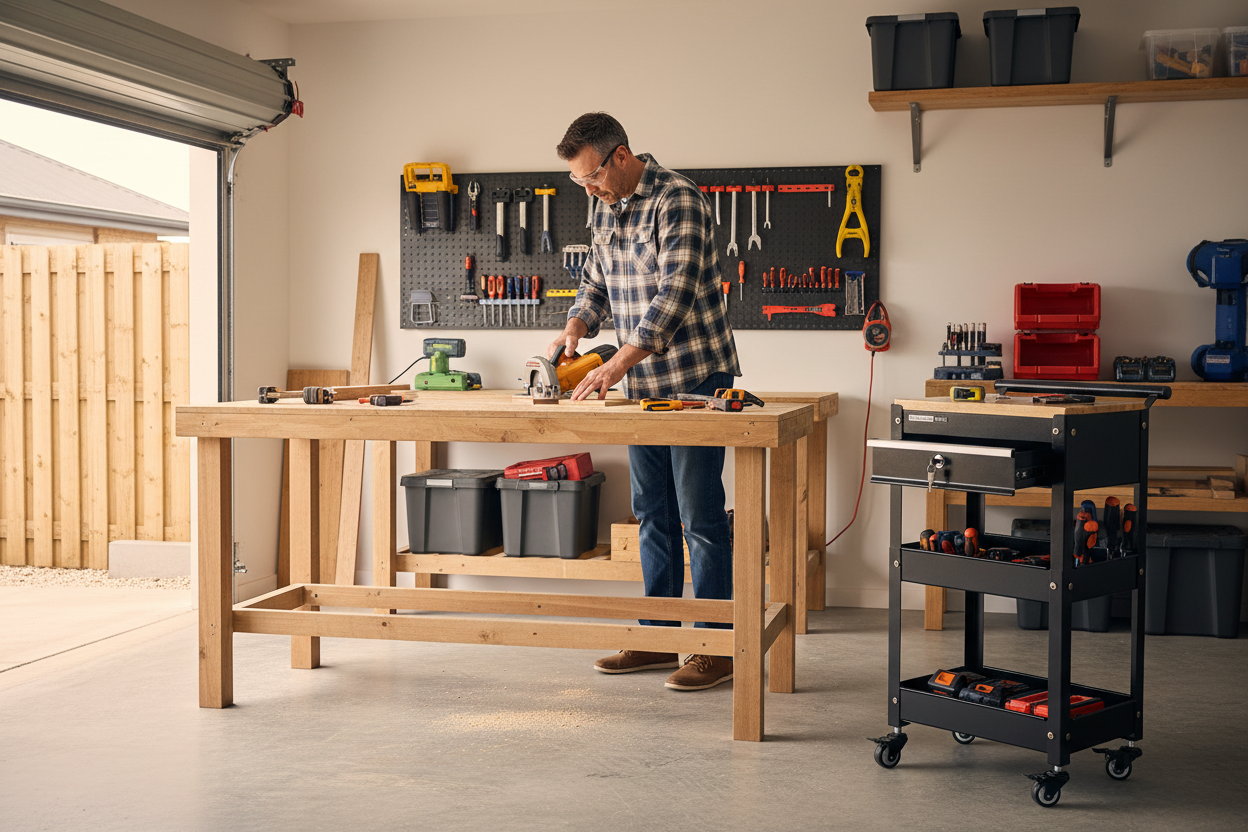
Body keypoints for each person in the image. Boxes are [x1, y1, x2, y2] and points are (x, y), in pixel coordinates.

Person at [551, 112, 741, 691]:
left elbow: (674, 294)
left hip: (697, 383)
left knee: (700, 518)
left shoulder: (677, 199)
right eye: (580, 182)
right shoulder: (607, 205)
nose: (588, 189)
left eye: (592, 177)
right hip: (643, 390)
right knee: (653, 515)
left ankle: (714, 646)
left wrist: (612, 367)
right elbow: (597, 280)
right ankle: (658, 637)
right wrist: (576, 326)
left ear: (622, 156)